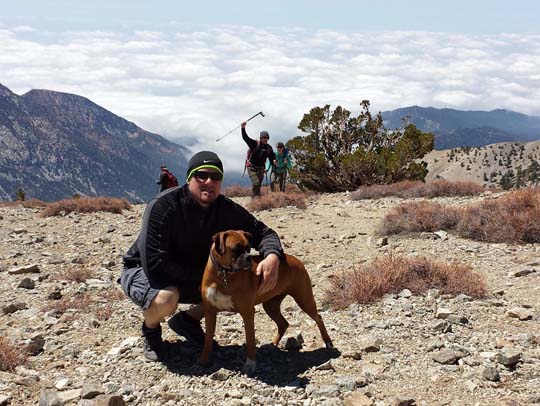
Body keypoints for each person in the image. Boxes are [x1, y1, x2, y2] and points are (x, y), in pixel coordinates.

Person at [120, 151, 283, 361]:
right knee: (167, 298)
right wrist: (205, 280)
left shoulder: (226, 209)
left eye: (215, 177)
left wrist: (272, 256)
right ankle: (151, 329)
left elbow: (264, 233)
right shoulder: (163, 206)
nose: (209, 182)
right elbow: (154, 265)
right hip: (143, 271)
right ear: (189, 178)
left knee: (231, 286)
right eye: (202, 176)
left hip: (196, 275)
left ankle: (187, 320)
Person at [241, 122, 276, 198]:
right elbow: (245, 138)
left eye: (267, 138)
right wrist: (243, 128)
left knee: (258, 185)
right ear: (260, 138)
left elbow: (272, 157)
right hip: (251, 167)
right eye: (264, 137)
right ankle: (256, 199)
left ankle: (256, 198)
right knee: (256, 182)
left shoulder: (269, 148)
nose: (265, 139)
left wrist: (273, 161)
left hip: (261, 168)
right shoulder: (254, 144)